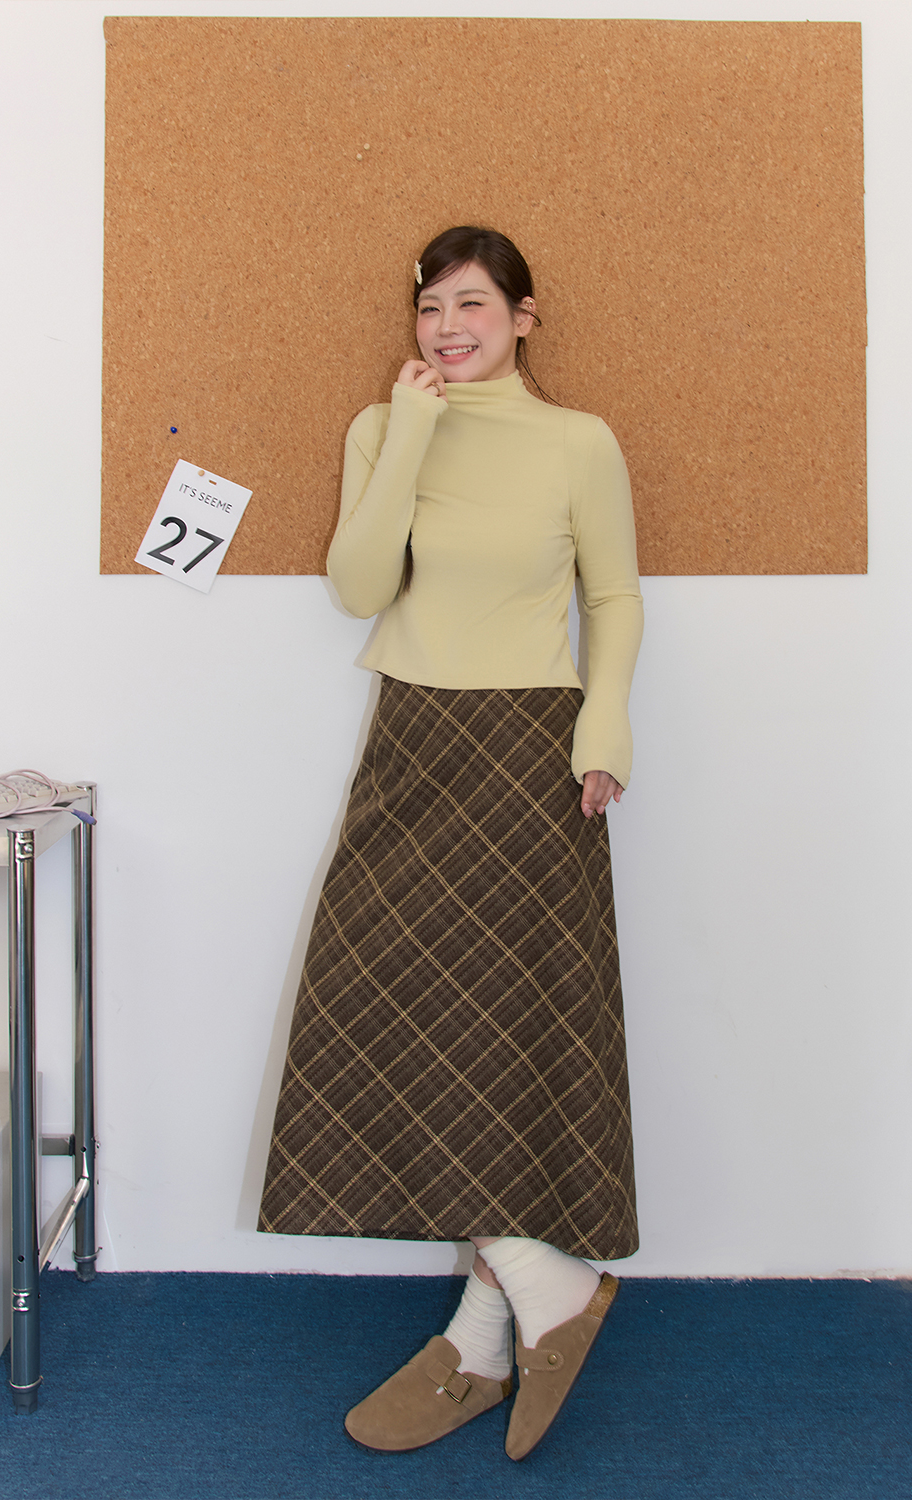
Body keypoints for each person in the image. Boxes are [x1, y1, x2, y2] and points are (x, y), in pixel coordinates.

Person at [258, 225, 644, 1461]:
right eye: (430, 307)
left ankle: (482, 1338)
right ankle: (537, 1286)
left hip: (533, 749)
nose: (447, 327)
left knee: (505, 1029)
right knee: (388, 1008)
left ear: (524, 316)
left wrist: (606, 725)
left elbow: (612, 595)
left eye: (472, 304)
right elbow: (359, 586)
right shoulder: (387, 427)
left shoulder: (578, 442)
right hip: (415, 737)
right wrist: (414, 429)